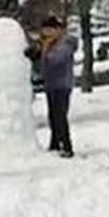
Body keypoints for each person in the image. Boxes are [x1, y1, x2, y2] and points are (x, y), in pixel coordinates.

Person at [40, 16, 77, 158]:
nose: (47, 33)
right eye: (45, 30)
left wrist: (45, 51)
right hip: (51, 84)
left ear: (58, 30)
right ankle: (55, 142)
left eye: (50, 30)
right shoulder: (49, 43)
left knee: (60, 115)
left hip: (62, 84)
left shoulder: (65, 43)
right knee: (52, 115)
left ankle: (66, 146)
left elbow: (57, 60)